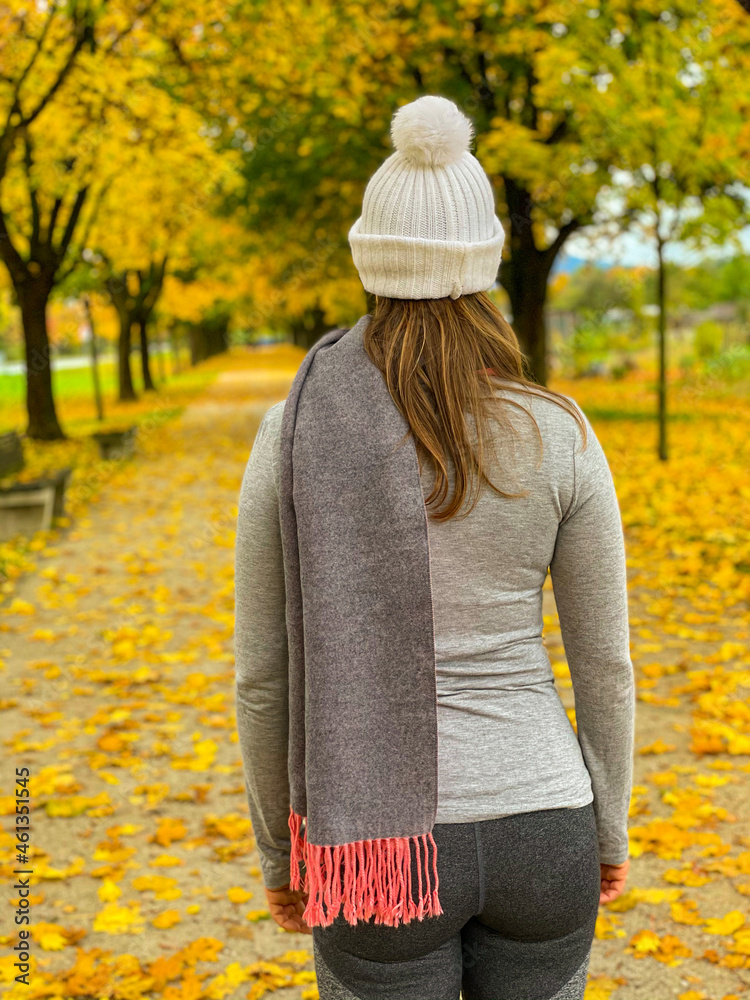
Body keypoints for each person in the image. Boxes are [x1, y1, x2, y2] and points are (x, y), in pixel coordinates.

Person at [234, 95, 635, 1000]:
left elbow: (263, 674)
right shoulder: (560, 434)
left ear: (369, 260)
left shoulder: (293, 433)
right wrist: (606, 830)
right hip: (544, 822)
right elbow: (604, 665)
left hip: (375, 845)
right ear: (487, 266)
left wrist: (281, 848)